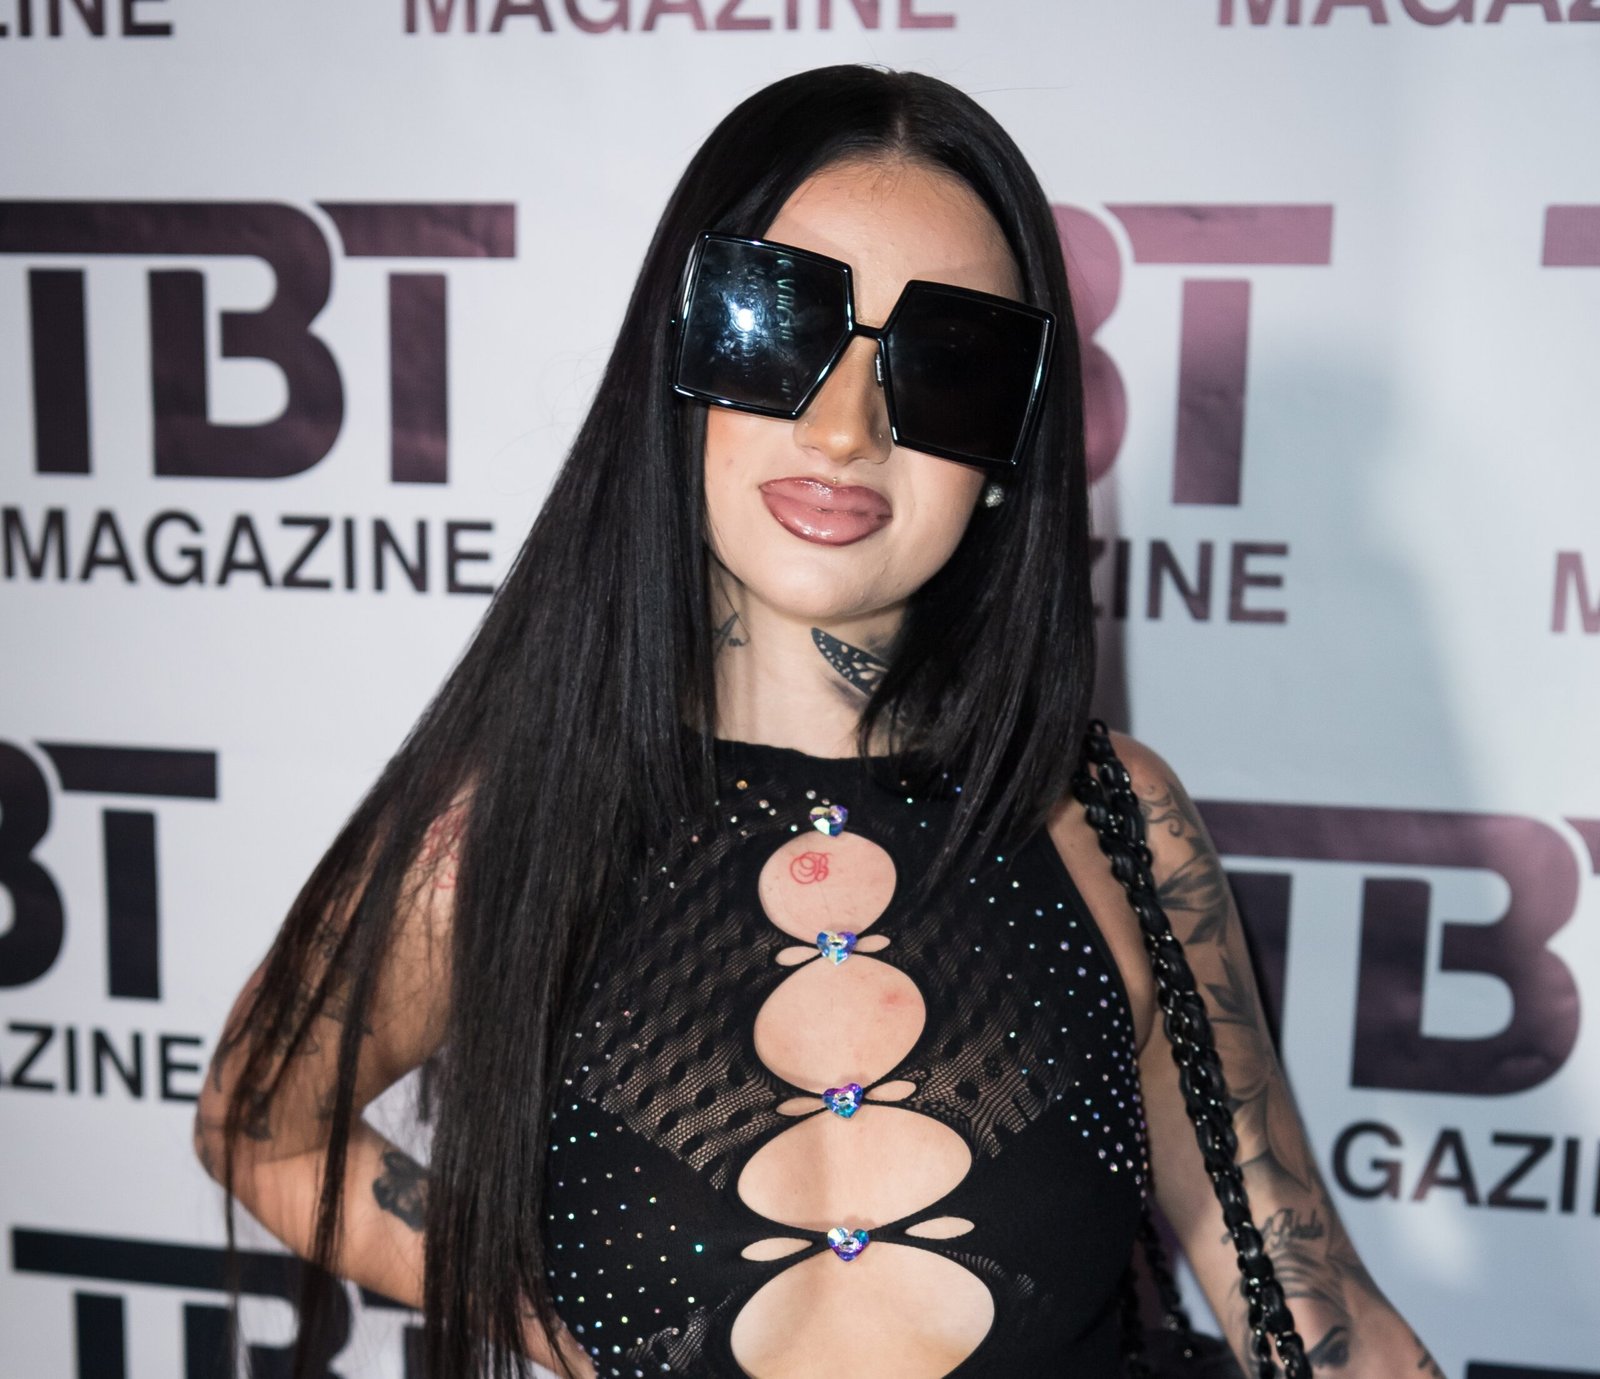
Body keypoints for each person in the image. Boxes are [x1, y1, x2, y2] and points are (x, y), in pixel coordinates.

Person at [195, 64, 1442, 1379]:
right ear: (677, 366)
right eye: (778, 327)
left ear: (1009, 447)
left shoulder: (1118, 824)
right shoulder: (508, 821)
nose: (846, 428)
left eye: (944, 365)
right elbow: (261, 1124)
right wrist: (576, 1338)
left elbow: (1314, 1311)